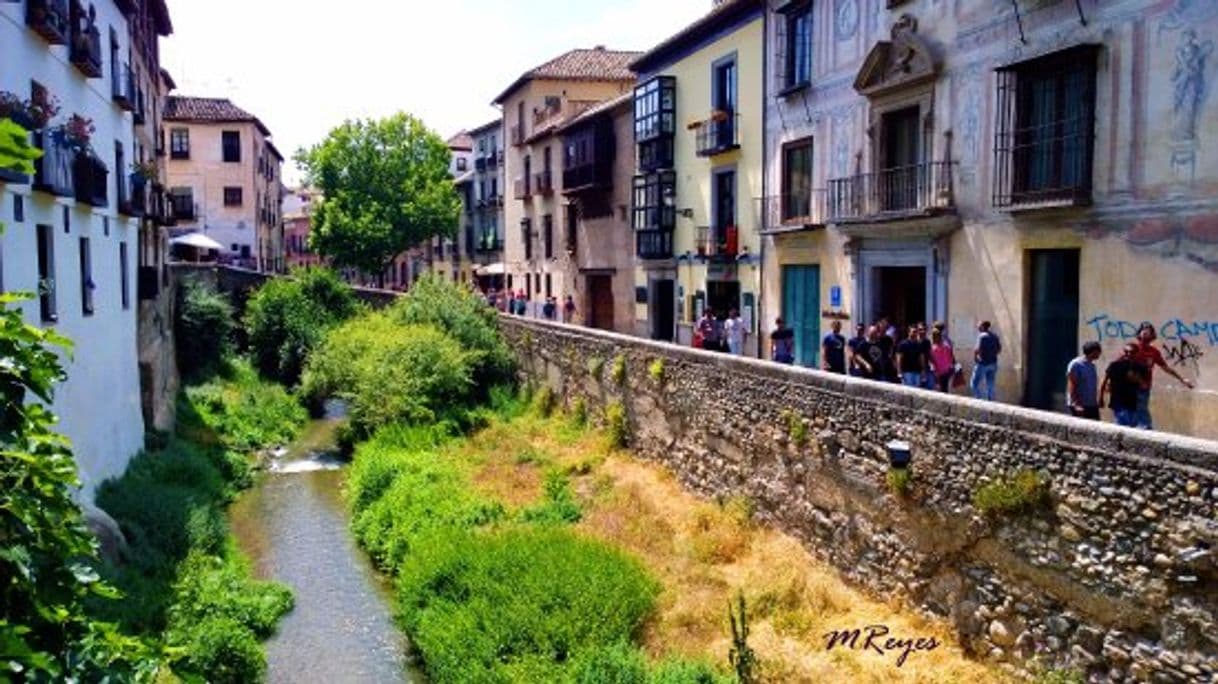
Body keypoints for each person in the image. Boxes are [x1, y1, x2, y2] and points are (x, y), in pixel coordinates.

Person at [1131, 323, 1195, 429]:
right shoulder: (1132, 348)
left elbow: (1166, 368)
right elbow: (1120, 366)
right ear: (1139, 333)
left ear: (1152, 335)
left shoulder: (1154, 352)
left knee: (1141, 414)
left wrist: (1182, 379)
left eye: (1149, 331)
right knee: (1133, 416)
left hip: (1144, 388)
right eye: (1144, 330)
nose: (1146, 332)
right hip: (1129, 388)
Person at [1102, 342, 1150, 428]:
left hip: (1133, 403)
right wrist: (1101, 397)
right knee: (1121, 427)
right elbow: (1105, 381)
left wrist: (1138, 379)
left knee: (1132, 427)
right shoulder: (1114, 365)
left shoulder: (1141, 367)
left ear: (1137, 353)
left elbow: (1145, 386)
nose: (1128, 354)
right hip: (1118, 402)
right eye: (1126, 352)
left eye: (1131, 352)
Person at [1066, 341, 1103, 420]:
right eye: (1098, 351)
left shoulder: (1092, 365)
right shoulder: (1076, 364)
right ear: (1093, 352)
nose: (1099, 354)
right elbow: (1072, 383)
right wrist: (1076, 404)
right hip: (1080, 405)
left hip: (1091, 404)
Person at [971, 320, 1002, 400]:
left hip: (983, 363)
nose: (978, 327)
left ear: (982, 327)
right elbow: (999, 350)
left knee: (974, 384)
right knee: (990, 384)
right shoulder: (995, 336)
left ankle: (979, 402)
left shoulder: (981, 336)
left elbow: (977, 350)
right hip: (993, 363)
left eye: (979, 325)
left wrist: (976, 358)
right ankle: (990, 403)